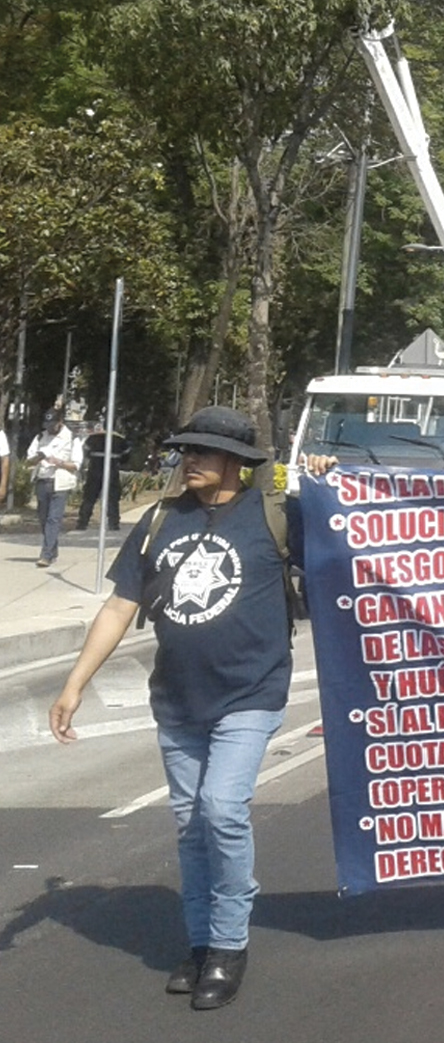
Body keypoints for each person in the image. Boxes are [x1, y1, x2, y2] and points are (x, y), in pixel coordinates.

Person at [48, 406, 299, 1011]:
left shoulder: (274, 518)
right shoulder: (162, 519)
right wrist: (75, 684)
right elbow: (118, 606)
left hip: (251, 692)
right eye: (186, 450)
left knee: (222, 808)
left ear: (236, 462)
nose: (190, 460)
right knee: (190, 825)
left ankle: (228, 946)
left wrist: (327, 477)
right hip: (179, 699)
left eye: (204, 452)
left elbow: (357, 537)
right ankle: (199, 944)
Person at [25, 408, 83, 567]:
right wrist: (39, 457)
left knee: (53, 519)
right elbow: (29, 460)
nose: (50, 428)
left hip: (60, 482)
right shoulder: (40, 437)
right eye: (47, 424)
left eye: (53, 424)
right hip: (42, 480)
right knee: (44, 519)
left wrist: (59, 462)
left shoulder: (72, 438)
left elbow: (76, 464)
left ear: (60, 422)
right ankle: (52, 548)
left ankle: (46, 554)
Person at [77, 422, 133, 531]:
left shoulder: (92, 438)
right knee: (112, 498)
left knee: (89, 497)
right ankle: (114, 523)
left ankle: (82, 522)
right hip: (112, 471)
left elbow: (86, 452)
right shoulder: (120, 440)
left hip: (95, 470)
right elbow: (126, 457)